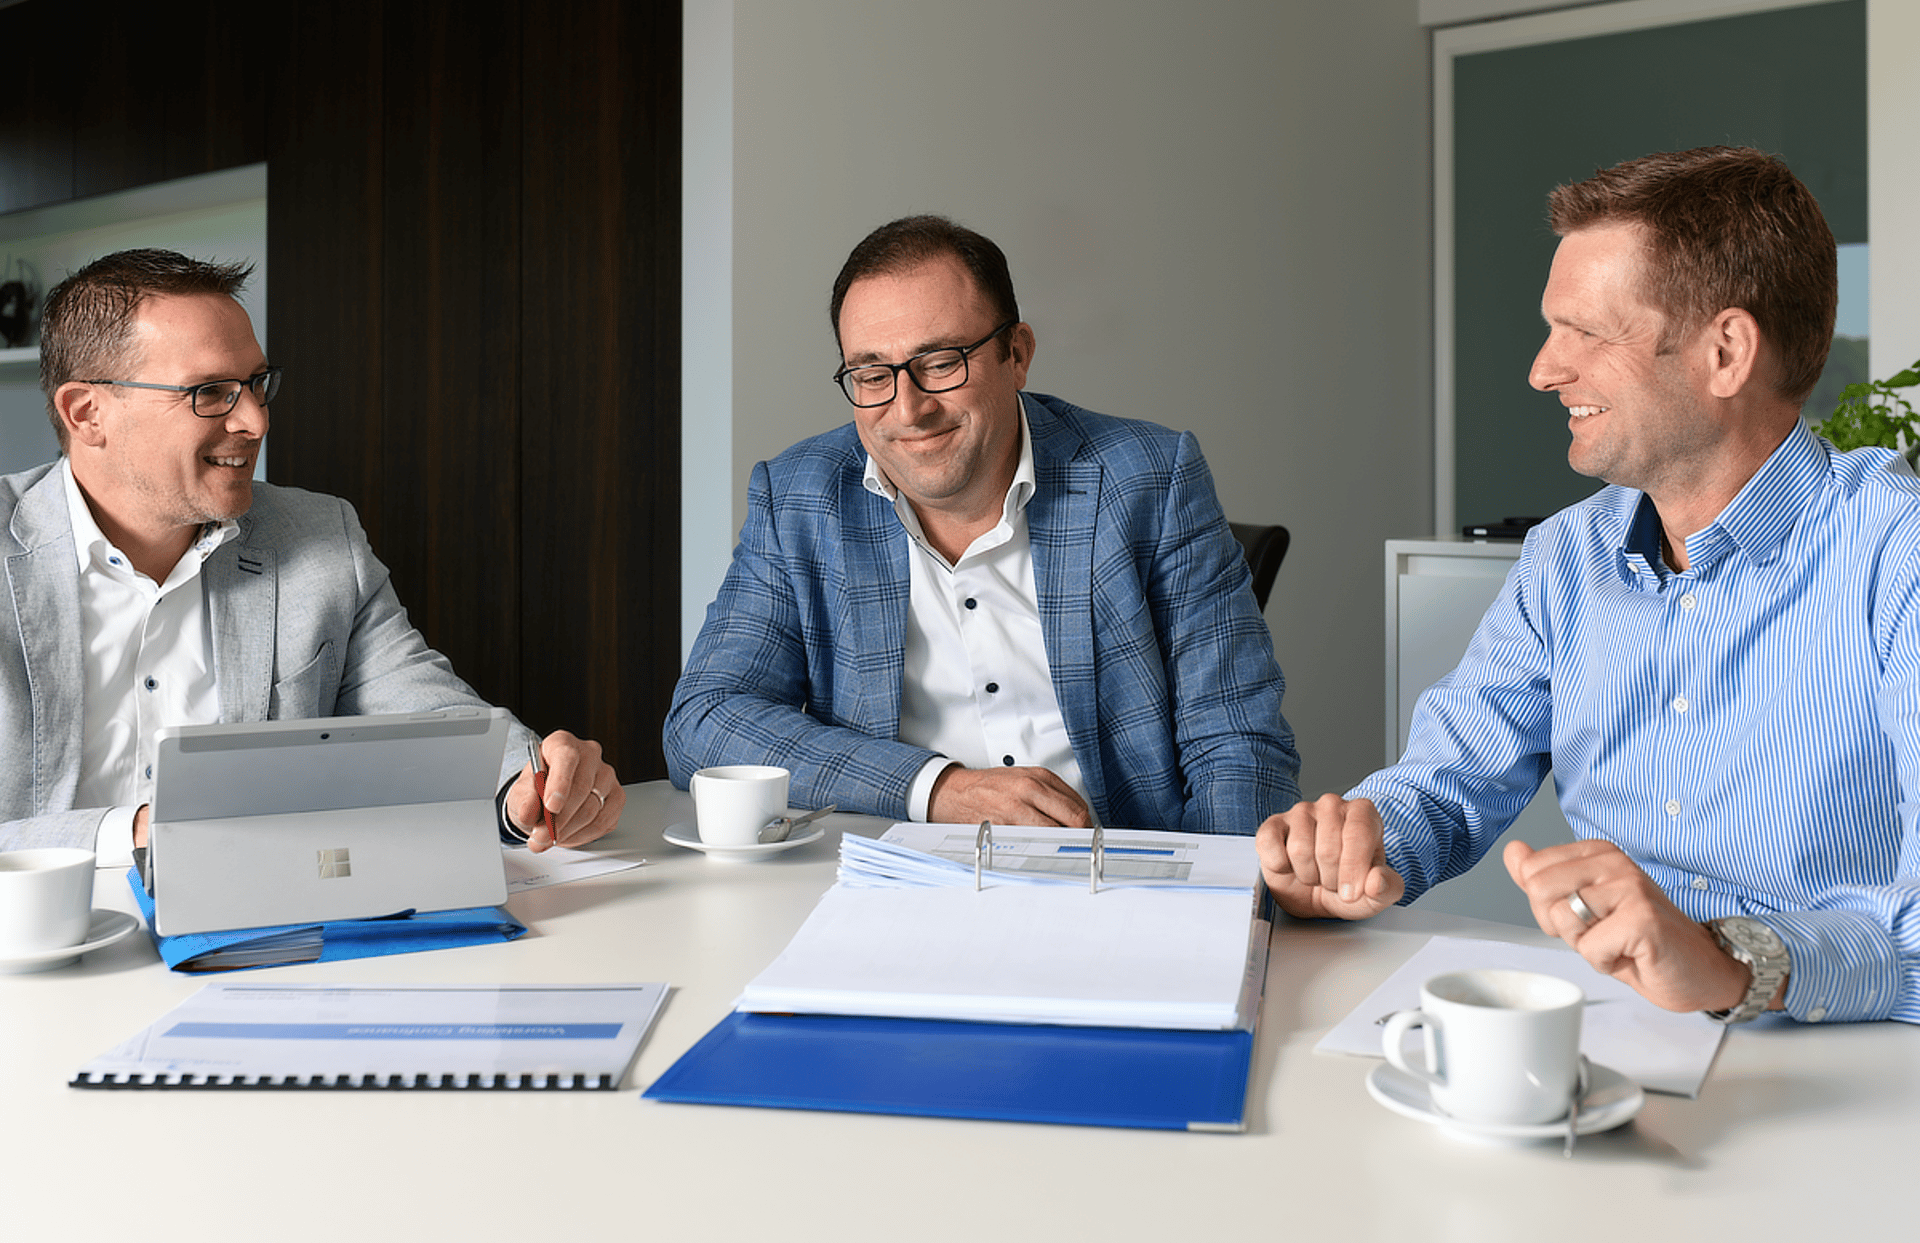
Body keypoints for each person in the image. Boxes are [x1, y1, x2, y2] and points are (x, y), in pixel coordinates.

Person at [1258, 146, 1920, 1025]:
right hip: (1617, 1038)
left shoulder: (1894, 553)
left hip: (1852, 1074)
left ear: (1726, 352)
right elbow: (1450, 781)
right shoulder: (1569, 555)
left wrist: (1734, 963)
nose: (1543, 369)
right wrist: (1354, 850)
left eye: (1588, 333)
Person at [666, 214, 1297, 833]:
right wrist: (935, 788)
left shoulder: (1151, 482)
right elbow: (705, 721)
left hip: (1111, 886)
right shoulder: (800, 498)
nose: (907, 409)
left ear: (1016, 355)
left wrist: (1213, 906)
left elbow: (1237, 743)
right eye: (871, 375)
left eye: (939, 362)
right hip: (893, 890)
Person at [0, 248, 624, 862]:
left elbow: (428, 716)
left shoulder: (321, 534)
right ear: (87, 414)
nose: (255, 421)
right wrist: (134, 833)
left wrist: (531, 784)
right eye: (210, 392)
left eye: (256, 384)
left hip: (269, 932)